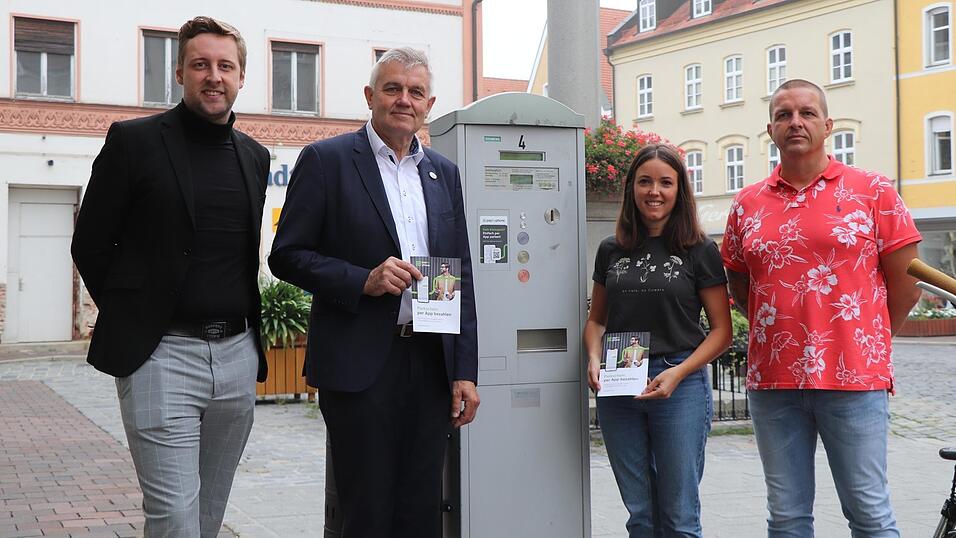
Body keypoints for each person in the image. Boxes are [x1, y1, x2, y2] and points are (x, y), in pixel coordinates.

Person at [70, 16, 270, 537]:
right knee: (175, 519)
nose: (213, 76)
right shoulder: (134, 142)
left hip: (237, 357)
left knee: (208, 515)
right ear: (180, 73)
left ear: (241, 77)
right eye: (200, 64)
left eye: (225, 66)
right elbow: (90, 243)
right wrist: (136, 318)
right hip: (163, 356)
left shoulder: (254, 156)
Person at [268, 47, 479, 538]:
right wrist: (363, 279)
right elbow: (287, 255)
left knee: (422, 510)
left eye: (416, 92)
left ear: (429, 105)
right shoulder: (327, 161)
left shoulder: (443, 173)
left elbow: (461, 273)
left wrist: (464, 371)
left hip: (430, 362)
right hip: (360, 365)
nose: (404, 100)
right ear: (370, 96)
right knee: (366, 511)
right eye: (392, 88)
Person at [720, 79, 922, 537]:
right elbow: (738, 280)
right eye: (784, 115)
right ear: (770, 130)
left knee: (868, 513)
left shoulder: (872, 190)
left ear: (828, 126)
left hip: (854, 377)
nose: (795, 122)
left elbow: (907, 283)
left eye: (807, 113)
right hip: (774, 380)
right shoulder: (747, 203)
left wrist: (866, 336)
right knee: (787, 516)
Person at [584, 144, 732, 537]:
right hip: (619, 383)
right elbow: (596, 320)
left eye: (666, 182)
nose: (654, 191)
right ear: (631, 188)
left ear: (679, 190)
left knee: (679, 517)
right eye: (645, 181)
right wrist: (594, 357)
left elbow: (722, 331)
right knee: (640, 515)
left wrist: (679, 373)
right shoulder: (611, 249)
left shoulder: (699, 250)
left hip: (678, 382)